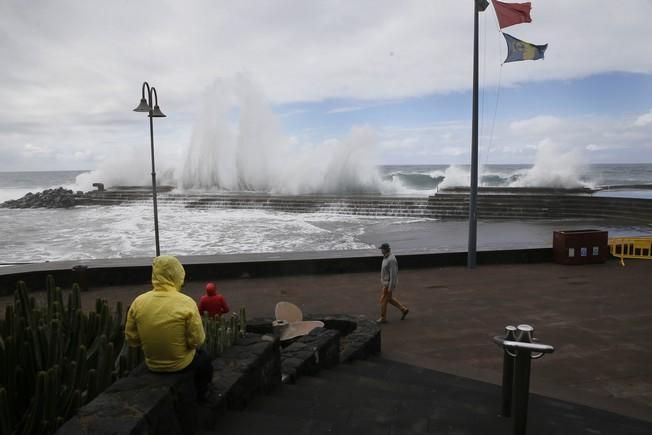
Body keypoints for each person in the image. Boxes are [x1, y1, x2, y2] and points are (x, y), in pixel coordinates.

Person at [125, 255, 213, 400]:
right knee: (205, 360)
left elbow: (132, 339)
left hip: (152, 364)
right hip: (181, 364)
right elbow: (197, 341)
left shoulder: (138, 302)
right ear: (178, 275)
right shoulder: (186, 302)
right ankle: (202, 394)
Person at [377, 243, 409, 324]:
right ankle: (403, 309)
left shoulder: (391, 260)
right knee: (389, 299)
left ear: (386, 249)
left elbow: (393, 275)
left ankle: (383, 318)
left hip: (388, 284)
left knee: (384, 300)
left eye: (382, 249)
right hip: (386, 283)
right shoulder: (386, 257)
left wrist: (390, 287)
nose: (381, 250)